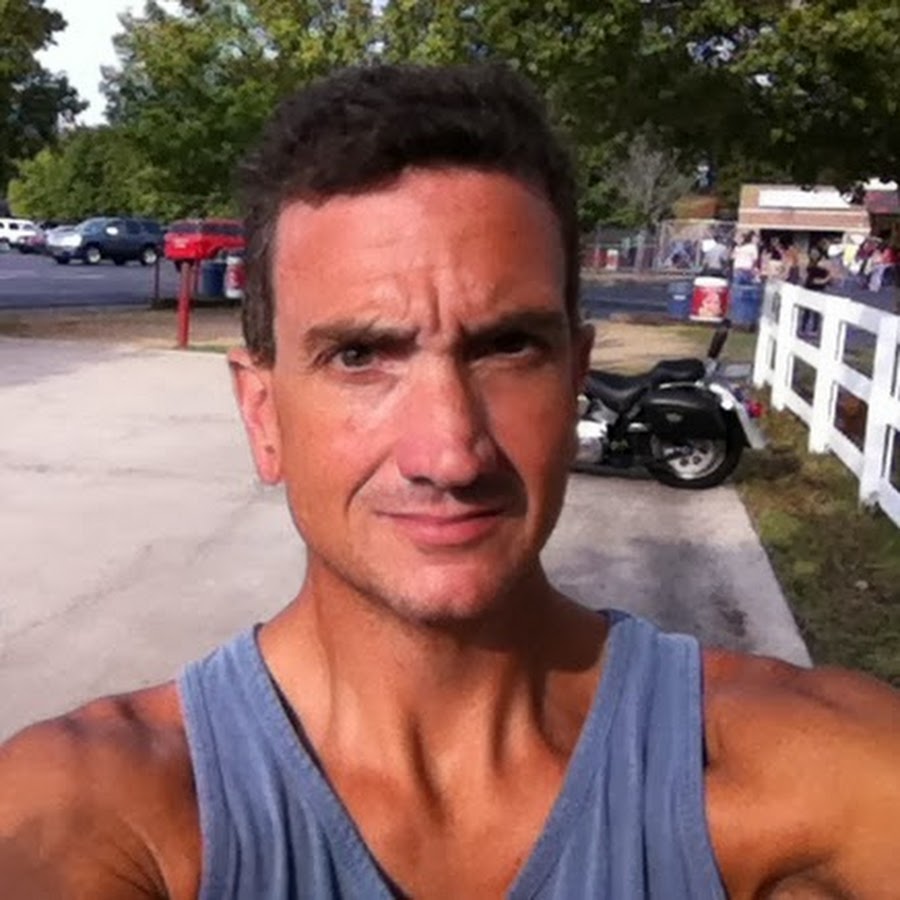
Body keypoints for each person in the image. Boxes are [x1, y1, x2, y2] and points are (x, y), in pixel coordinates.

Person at [1, 62, 899, 899]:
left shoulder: (811, 777)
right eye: (361, 356)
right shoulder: (98, 810)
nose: (451, 453)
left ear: (574, 379)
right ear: (263, 415)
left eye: (507, 347)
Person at [800, 247, 832, 336]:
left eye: (815, 253)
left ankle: (814, 329)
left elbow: (829, 275)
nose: (813, 255)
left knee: (816, 311)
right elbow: (804, 275)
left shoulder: (823, 263)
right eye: (812, 253)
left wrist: (824, 281)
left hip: (819, 289)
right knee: (807, 310)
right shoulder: (809, 263)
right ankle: (803, 328)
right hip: (809, 288)